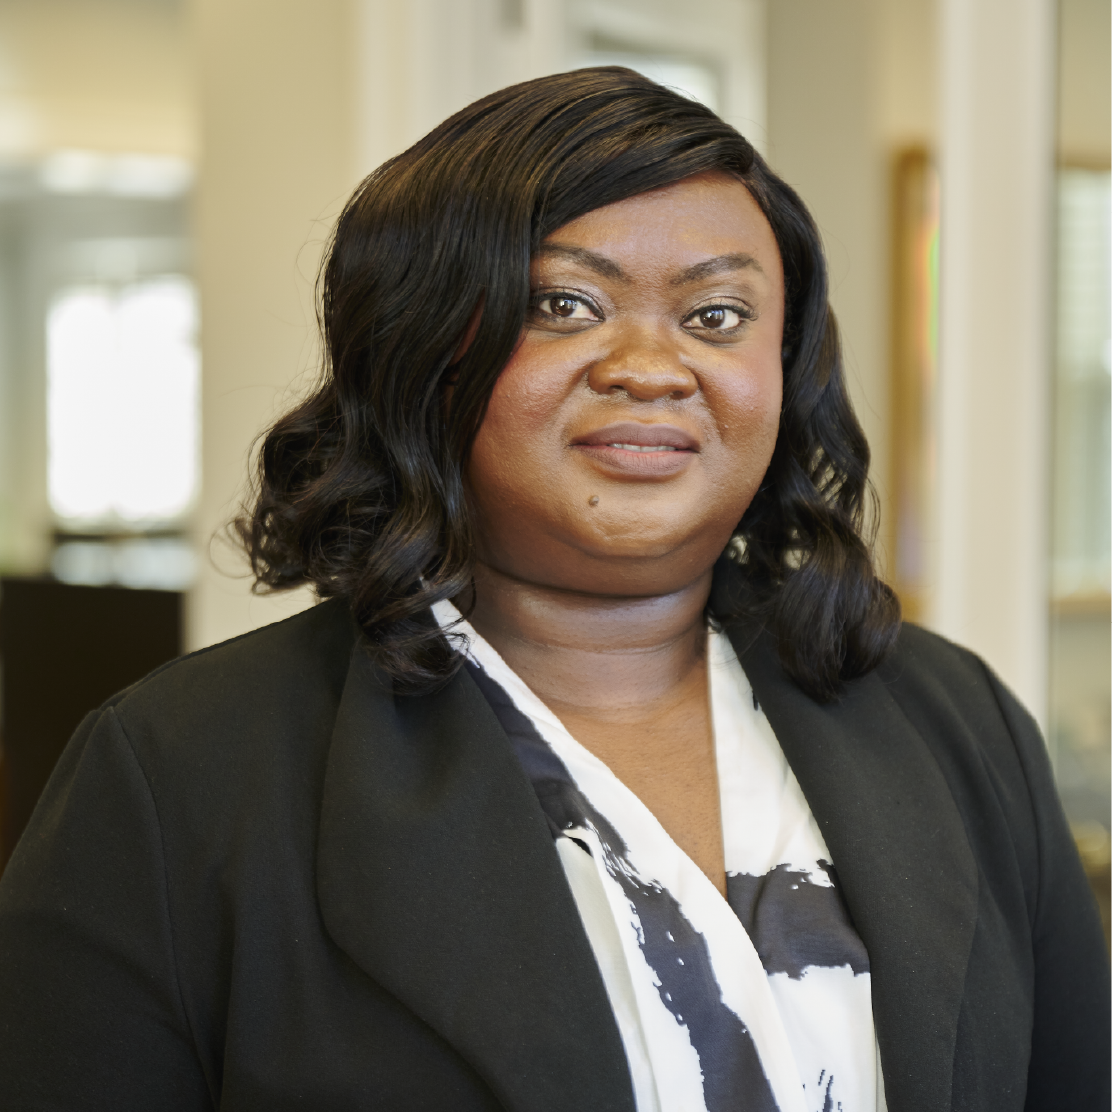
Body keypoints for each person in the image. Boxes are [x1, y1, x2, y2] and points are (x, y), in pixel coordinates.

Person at [0, 67, 1108, 1112]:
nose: (649, 364)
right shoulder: (180, 774)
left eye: (715, 315)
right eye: (566, 304)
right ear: (422, 349)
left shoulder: (952, 721)